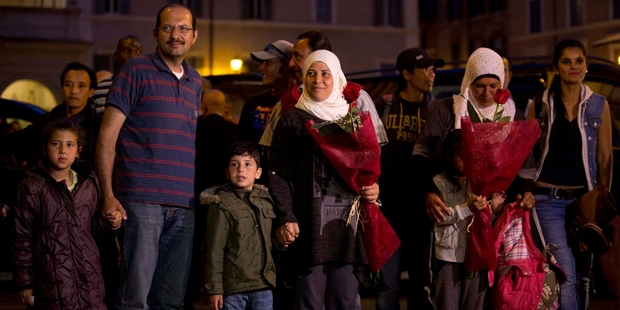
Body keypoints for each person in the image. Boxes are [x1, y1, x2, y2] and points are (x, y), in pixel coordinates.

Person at [96, 3, 202, 309]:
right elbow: (107, 136)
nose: (176, 35)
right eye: (168, 28)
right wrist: (108, 195)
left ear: (193, 36)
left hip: (184, 204)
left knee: (169, 300)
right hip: (141, 201)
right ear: (156, 34)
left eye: (183, 28)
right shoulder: (135, 70)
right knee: (134, 299)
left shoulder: (195, 82)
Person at [269, 49, 380, 309]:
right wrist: (286, 216)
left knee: (344, 300)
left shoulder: (352, 120)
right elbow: (279, 174)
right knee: (309, 301)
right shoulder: (292, 121)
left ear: (338, 78)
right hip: (307, 231)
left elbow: (367, 170)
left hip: (347, 232)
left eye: (325, 73)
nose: (317, 79)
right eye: (311, 73)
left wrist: (374, 188)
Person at [527, 39, 613, 310]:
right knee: (565, 274)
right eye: (567, 61)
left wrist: (600, 198)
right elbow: (526, 154)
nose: (574, 66)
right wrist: (525, 189)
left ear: (586, 66)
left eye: (579, 61)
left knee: (584, 277)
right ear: (556, 67)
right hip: (547, 201)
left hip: (582, 202)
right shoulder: (540, 103)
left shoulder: (599, 105)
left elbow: (605, 156)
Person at [414, 47, 536, 224]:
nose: (486, 94)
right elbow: (421, 153)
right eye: (479, 86)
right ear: (469, 81)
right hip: (452, 207)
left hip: (496, 210)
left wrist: (526, 192)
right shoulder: (448, 111)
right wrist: (428, 190)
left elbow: (526, 163)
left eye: (493, 86)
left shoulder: (512, 115)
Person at [10, 119, 121, 309]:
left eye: (69, 145)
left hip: (89, 278)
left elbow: (97, 228)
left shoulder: (89, 184)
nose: (63, 150)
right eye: (56, 144)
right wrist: (25, 283)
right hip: (52, 283)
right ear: (45, 148)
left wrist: (112, 221)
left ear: (78, 151)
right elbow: (21, 239)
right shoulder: (31, 188)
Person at [372, 47, 444, 310]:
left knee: (421, 283)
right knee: (387, 284)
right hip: (388, 207)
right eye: (425, 69)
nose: (431, 74)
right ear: (406, 74)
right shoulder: (384, 105)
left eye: (433, 68)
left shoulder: (436, 110)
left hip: (422, 209)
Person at [258, 31, 388, 149]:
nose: (290, 63)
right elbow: (271, 150)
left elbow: (375, 149)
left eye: (297, 56)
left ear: (318, 57)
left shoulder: (357, 97)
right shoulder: (287, 101)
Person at [431, 129, 505, 310]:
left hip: (476, 254)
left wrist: (494, 210)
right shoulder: (439, 182)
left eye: (472, 157)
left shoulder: (480, 182)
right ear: (449, 157)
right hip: (448, 258)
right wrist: (467, 209)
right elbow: (440, 218)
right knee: (447, 305)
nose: (468, 162)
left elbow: (485, 221)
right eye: (462, 156)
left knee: (474, 305)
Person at [202, 141, 280, 310]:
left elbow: (271, 242)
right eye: (234, 164)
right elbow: (213, 250)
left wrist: (282, 240)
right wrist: (214, 289)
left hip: (263, 286)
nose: (241, 169)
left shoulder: (266, 203)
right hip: (233, 290)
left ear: (258, 172)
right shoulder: (221, 204)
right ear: (226, 173)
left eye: (248, 164)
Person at [185, 89, 237, 308]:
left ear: (203, 107)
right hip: (224, 197)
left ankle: (187, 295)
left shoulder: (194, 129)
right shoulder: (233, 131)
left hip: (195, 195)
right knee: (223, 246)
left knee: (192, 247)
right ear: (224, 108)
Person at [0, 62, 100, 166]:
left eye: (81, 86)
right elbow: (20, 140)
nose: (74, 91)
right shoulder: (48, 120)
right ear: (62, 88)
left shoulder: (97, 125)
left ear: (91, 92)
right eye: (68, 85)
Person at [238, 39, 293, 185]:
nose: (261, 68)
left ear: (287, 65)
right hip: (257, 187)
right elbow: (241, 148)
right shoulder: (253, 103)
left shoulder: (299, 103)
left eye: (268, 62)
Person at [93, 34, 143, 114]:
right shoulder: (100, 87)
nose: (133, 56)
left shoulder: (146, 87)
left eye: (138, 51)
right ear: (116, 55)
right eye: (126, 51)